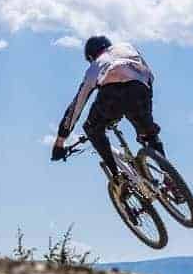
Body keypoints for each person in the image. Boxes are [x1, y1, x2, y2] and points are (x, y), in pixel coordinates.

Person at [51, 35, 164, 185]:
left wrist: (60, 141)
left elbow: (76, 106)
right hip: (140, 89)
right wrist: (146, 116)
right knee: (149, 135)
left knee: (92, 128)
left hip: (112, 96)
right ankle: (171, 182)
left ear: (91, 56)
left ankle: (116, 176)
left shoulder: (94, 67)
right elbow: (148, 74)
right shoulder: (127, 46)